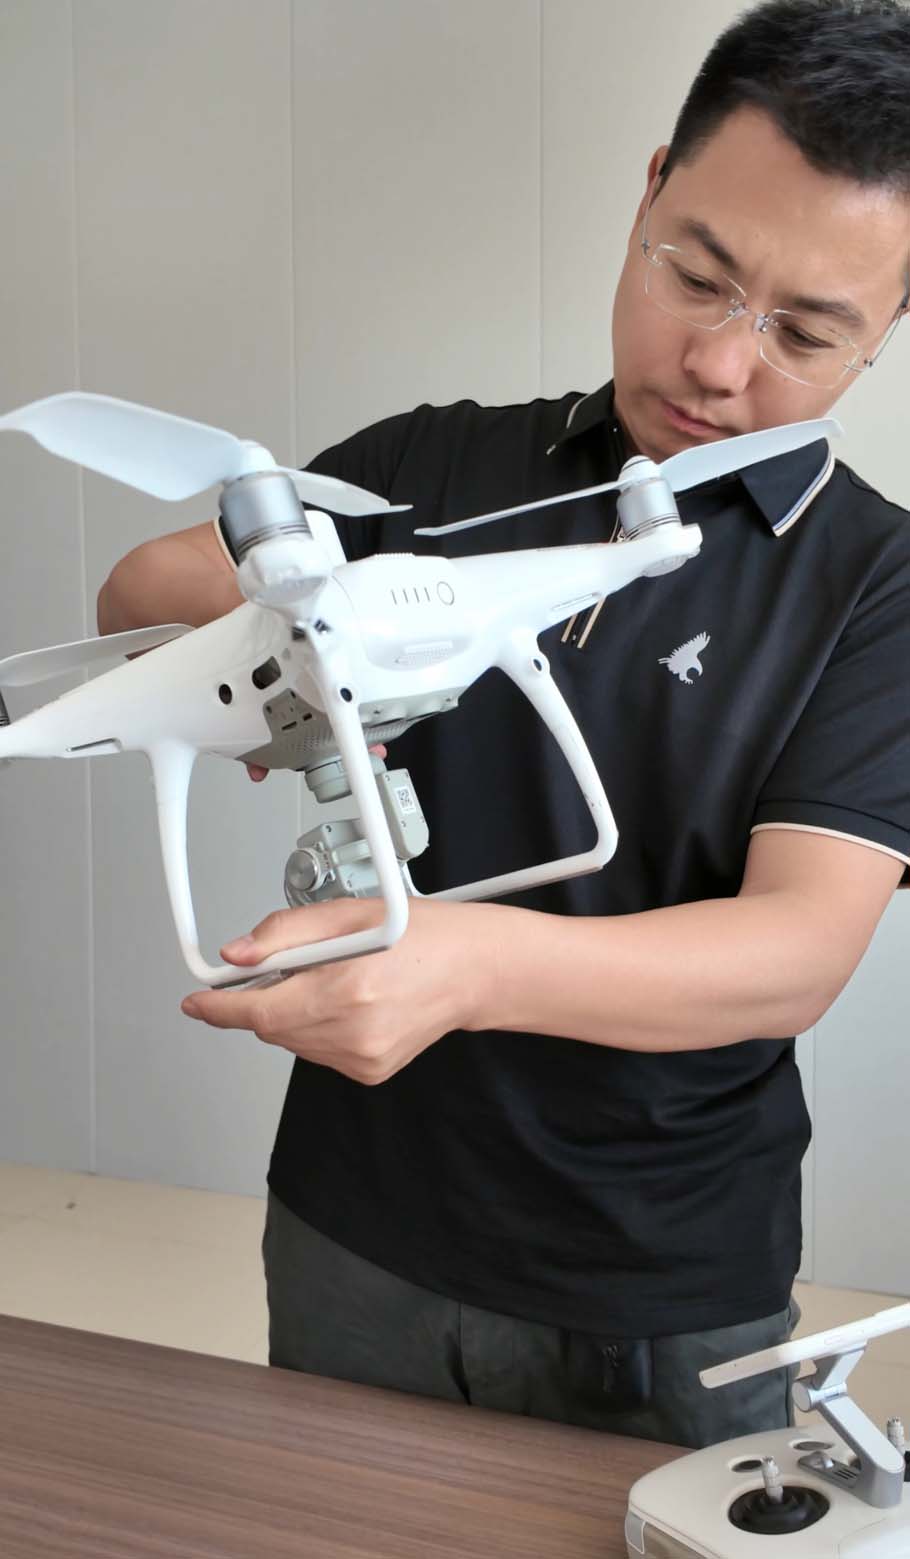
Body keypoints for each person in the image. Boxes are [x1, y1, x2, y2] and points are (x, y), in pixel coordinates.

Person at [97, 0, 910, 1448]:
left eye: (805, 331)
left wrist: (458, 964)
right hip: (352, 1222)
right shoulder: (428, 467)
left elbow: (794, 948)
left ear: (889, 328)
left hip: (655, 1280)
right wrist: (279, 629)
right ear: (648, 191)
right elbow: (139, 602)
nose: (721, 366)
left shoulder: (879, 585)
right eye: (698, 276)